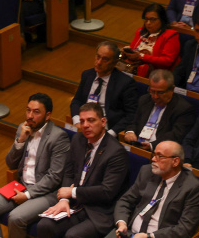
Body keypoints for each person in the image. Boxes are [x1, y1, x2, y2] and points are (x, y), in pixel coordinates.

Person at [36, 102, 130, 238]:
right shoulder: (78, 139)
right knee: (44, 225)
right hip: (75, 204)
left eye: (91, 120)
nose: (85, 125)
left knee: (73, 236)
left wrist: (72, 192)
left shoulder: (116, 152)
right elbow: (69, 172)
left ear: (103, 122)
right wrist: (64, 200)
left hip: (99, 211)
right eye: (82, 121)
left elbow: (107, 192)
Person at [0, 93, 71, 238]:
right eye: (28, 110)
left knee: (16, 218)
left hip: (47, 193)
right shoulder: (23, 129)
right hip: (20, 184)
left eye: (36, 112)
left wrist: (27, 195)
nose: (30, 116)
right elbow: (10, 163)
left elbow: (54, 177)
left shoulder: (58, 137)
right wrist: (21, 140)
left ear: (47, 116)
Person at [70, 42, 139, 134]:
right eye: (98, 57)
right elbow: (77, 101)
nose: (99, 62)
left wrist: (111, 133)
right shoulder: (87, 75)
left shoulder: (125, 83)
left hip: (106, 129)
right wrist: (77, 121)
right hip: (83, 124)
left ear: (115, 63)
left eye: (105, 59)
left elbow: (131, 114)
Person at [122, 69, 195, 151]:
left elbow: (176, 135)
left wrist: (151, 145)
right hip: (135, 145)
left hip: (159, 151)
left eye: (160, 92)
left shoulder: (183, 109)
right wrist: (130, 132)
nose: (155, 96)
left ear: (172, 89)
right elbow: (133, 121)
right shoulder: (144, 99)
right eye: (152, 91)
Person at [122, 4, 181, 77]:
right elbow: (133, 49)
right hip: (134, 71)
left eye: (153, 19)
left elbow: (167, 61)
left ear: (162, 20)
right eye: (146, 19)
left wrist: (141, 56)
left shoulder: (171, 35)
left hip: (158, 76)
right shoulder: (140, 31)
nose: (148, 23)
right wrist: (127, 53)